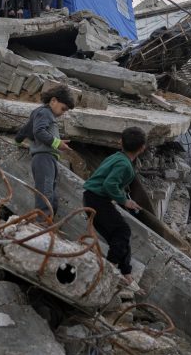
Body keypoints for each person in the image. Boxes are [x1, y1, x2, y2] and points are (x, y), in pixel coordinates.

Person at [82, 127, 147, 284]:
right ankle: (109, 269)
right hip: (97, 200)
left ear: (120, 142)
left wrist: (120, 197)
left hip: (92, 198)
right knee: (122, 231)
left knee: (119, 235)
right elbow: (109, 184)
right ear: (142, 148)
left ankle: (126, 272)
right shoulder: (124, 165)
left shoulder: (116, 157)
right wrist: (124, 201)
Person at [14, 84, 75, 218]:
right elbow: (39, 131)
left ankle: (47, 220)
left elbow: (26, 129)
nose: (63, 113)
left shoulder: (41, 113)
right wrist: (57, 143)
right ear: (53, 101)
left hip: (48, 159)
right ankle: (42, 222)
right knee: (45, 193)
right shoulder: (45, 113)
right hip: (43, 158)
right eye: (63, 109)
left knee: (50, 194)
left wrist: (18, 140)